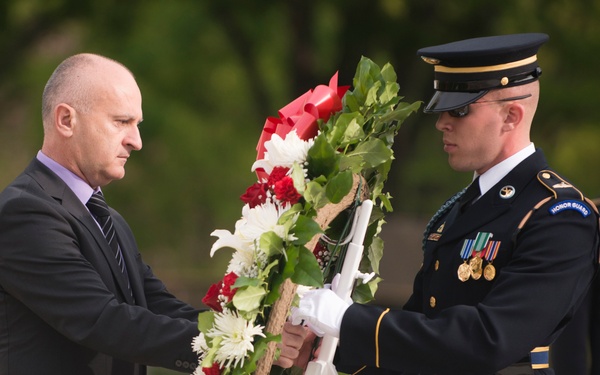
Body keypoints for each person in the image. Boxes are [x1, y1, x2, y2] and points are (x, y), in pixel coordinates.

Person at [292, 33, 600, 374]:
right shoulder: (464, 207)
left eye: (459, 110)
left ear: (511, 116)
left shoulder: (560, 216)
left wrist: (348, 319)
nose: (442, 123)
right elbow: (419, 337)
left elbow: (488, 340)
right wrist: (326, 347)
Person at [0, 53, 306, 375]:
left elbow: (158, 306)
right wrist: (244, 345)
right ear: (66, 120)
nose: (137, 141)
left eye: (137, 125)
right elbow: (103, 320)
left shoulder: (109, 218)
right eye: (121, 122)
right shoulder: (25, 212)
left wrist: (259, 331)